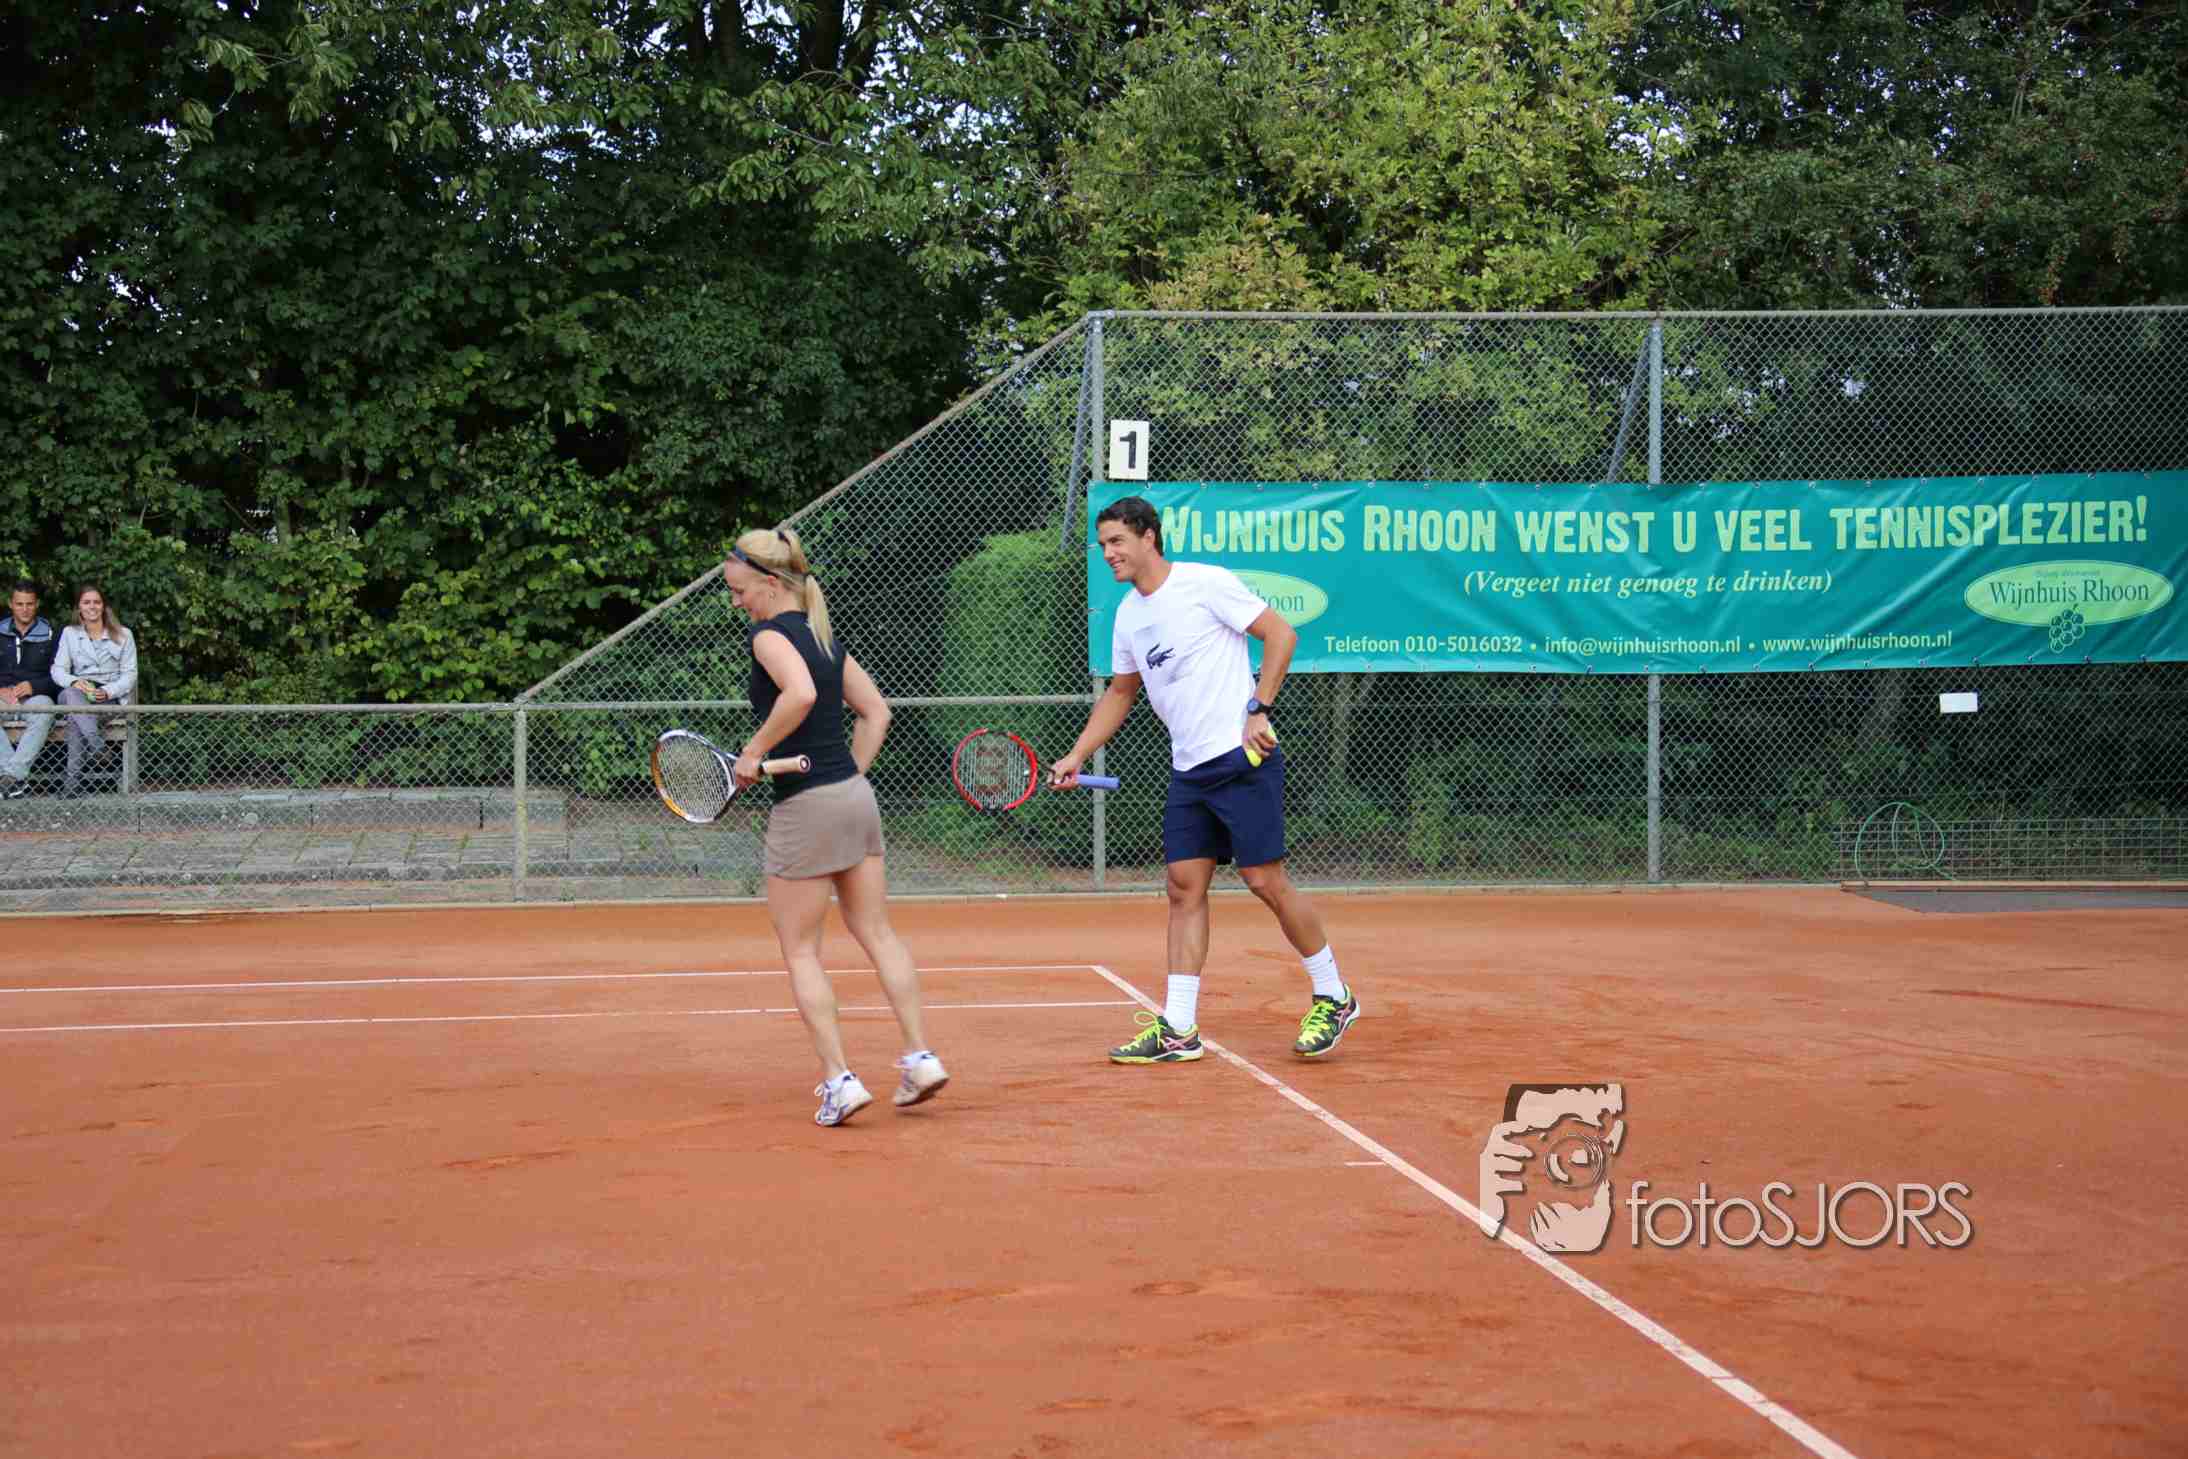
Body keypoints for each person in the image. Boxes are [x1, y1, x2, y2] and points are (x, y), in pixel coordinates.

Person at [1049, 496, 1360, 1064]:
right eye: (1103, 544)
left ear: (1148, 537)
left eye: (1117, 541)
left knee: (1264, 880)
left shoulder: (1204, 583)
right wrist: (1077, 754)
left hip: (1242, 758)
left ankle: (1333, 995)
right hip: (1188, 769)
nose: (1108, 553)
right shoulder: (1128, 615)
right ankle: (1179, 1028)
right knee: (1183, 887)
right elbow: (1121, 692)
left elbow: (1281, 634)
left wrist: (1259, 708)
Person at [721, 526, 947, 1126]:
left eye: (740, 590)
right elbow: (877, 713)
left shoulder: (768, 637)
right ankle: (921, 1058)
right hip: (854, 797)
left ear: (771, 584)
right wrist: (846, 778)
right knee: (878, 933)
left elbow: (796, 695)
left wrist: (753, 751)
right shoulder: (824, 637)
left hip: (806, 806)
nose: (737, 602)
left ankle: (839, 1081)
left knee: (799, 949)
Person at [50, 583, 138, 800]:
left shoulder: (123, 634)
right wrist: (74, 681)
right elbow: (57, 670)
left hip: (107, 699)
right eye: (86, 602)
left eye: (96, 602)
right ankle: (97, 746)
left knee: (75, 717)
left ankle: (72, 786)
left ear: (104, 606)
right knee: (72, 696)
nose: (92, 606)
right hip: (79, 692)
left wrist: (107, 691)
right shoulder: (70, 633)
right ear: (79, 607)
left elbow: (130, 674)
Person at [0, 581, 62, 798]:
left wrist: (34, 686)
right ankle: (13, 778)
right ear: (11, 604)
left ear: (37, 604)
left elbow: (60, 676)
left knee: (45, 710)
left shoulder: (51, 634)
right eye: (19, 604)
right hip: (3, 697)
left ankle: (9, 778)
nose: (24, 609)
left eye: (29, 604)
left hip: (34, 697)